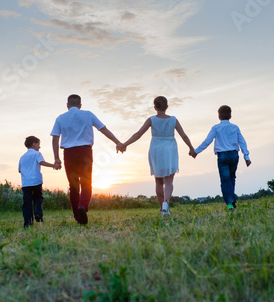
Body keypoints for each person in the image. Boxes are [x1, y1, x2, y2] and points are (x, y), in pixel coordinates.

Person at [51, 94, 123, 225]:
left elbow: (55, 138)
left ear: (67, 105)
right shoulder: (88, 114)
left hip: (69, 153)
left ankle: (78, 216)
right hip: (85, 152)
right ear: (80, 105)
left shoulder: (60, 118)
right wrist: (117, 142)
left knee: (73, 186)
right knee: (86, 182)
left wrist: (56, 158)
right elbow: (103, 129)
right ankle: (82, 206)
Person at [118, 96, 194, 216]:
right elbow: (183, 135)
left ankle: (162, 209)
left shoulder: (151, 119)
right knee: (169, 181)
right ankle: (166, 203)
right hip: (170, 149)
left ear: (155, 107)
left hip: (156, 150)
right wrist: (191, 148)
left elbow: (138, 134)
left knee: (159, 182)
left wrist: (125, 144)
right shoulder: (173, 119)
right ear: (167, 107)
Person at [190, 105, 251, 210]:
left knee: (225, 180)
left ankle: (229, 203)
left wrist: (196, 151)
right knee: (231, 178)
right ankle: (232, 200)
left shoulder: (216, 128)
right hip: (234, 155)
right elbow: (242, 142)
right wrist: (246, 157)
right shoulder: (235, 127)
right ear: (230, 116)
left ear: (218, 116)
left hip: (222, 156)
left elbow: (207, 141)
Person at [18, 136, 59, 228]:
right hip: (36, 181)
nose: (39, 147)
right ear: (34, 144)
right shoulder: (37, 154)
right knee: (38, 198)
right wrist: (54, 165)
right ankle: (38, 214)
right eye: (38, 144)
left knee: (27, 203)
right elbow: (41, 162)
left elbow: (20, 170)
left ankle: (28, 223)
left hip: (26, 183)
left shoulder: (22, 157)